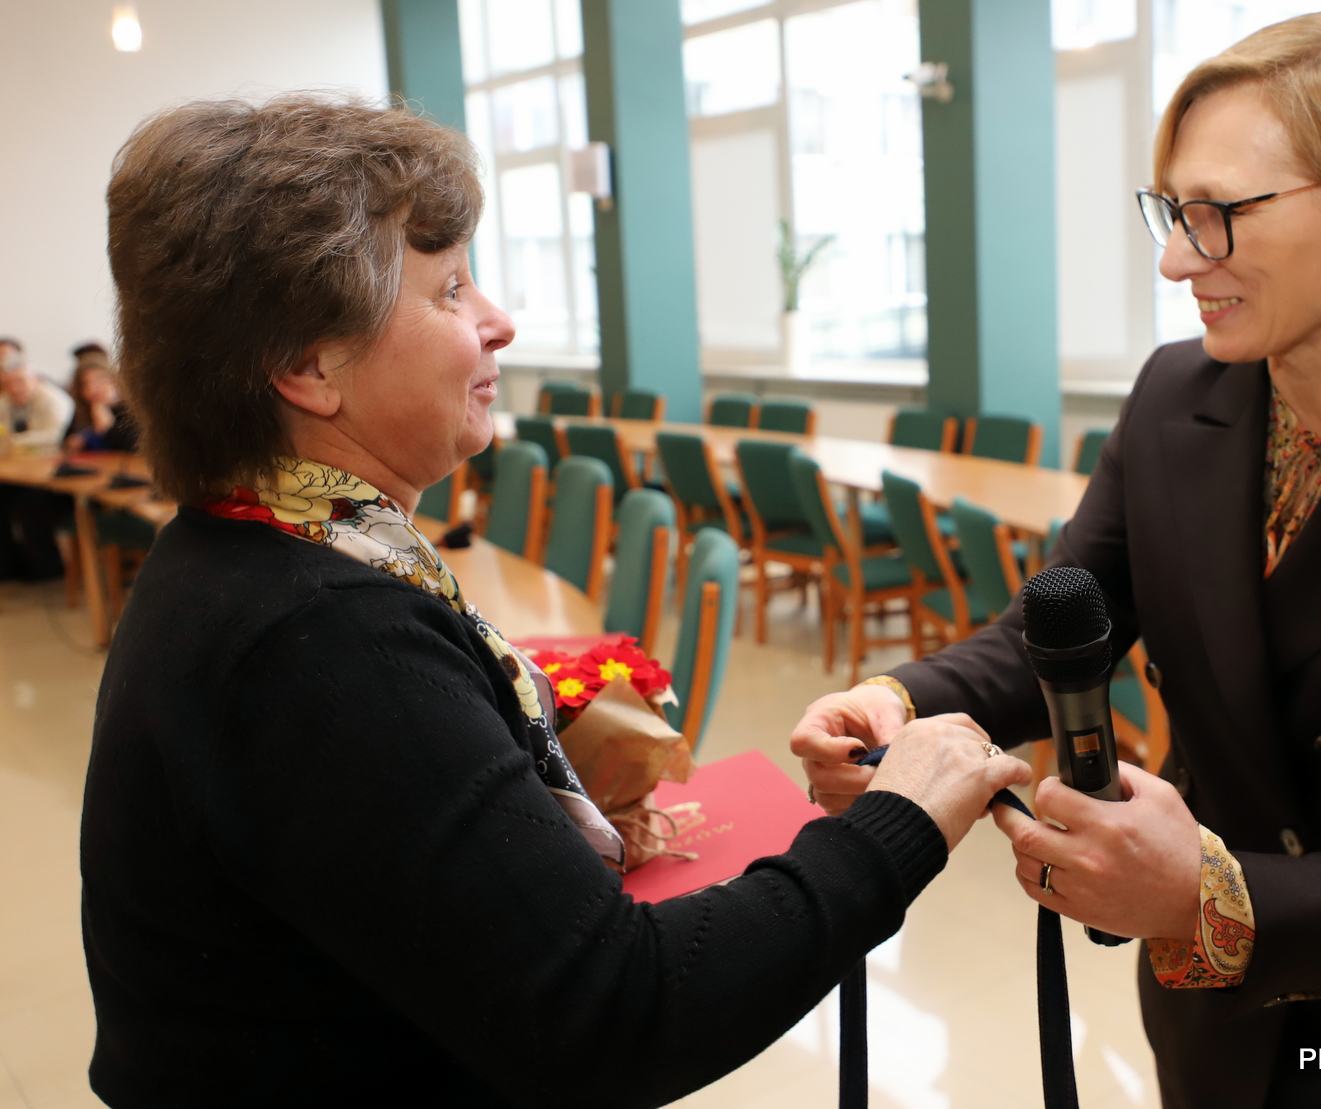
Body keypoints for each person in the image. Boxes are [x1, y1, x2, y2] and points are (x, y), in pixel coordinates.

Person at [80, 93, 1031, 1107]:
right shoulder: (323, 633)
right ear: (308, 364)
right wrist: (897, 823)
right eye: (449, 290)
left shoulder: (244, 555)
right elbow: (619, 1007)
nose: (499, 320)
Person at [793, 11, 1321, 1109]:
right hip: (1209, 1017)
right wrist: (895, 697)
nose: (1177, 258)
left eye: (1218, 214)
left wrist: (1207, 892)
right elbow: (1066, 623)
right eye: (1174, 212)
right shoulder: (1178, 395)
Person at [0, 340, 76, 579]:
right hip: (21, 475)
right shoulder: (6, 403)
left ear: (35, 379)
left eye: (20, 382)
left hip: (55, 481)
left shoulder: (54, 400)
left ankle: (47, 568)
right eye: (8, 384)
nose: (15, 389)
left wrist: (14, 444)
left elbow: (52, 440)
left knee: (29, 506)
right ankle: (8, 566)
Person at [63, 357, 138, 453]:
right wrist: (73, 443)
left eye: (100, 379)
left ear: (113, 380)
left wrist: (108, 429)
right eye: (86, 383)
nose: (93, 388)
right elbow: (66, 441)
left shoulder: (128, 409)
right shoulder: (81, 410)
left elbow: (134, 447)